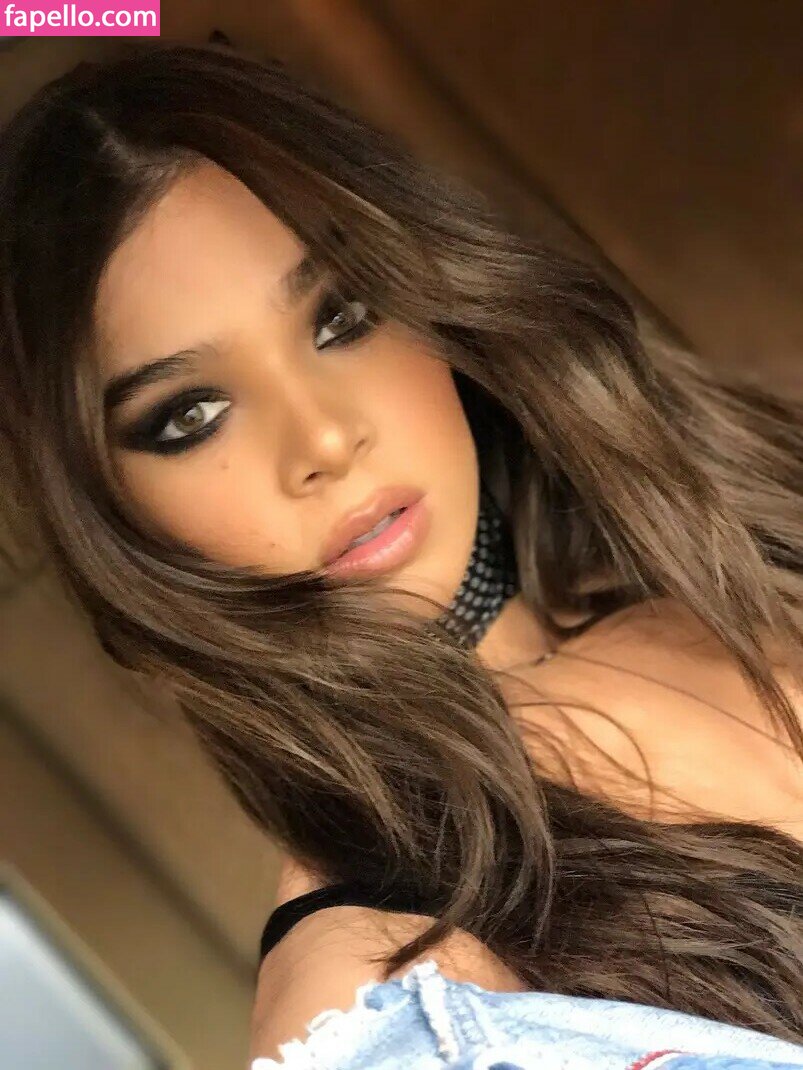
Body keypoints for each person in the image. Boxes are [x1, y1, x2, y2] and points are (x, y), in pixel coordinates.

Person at [0, 41, 801, 1068]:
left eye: (339, 315)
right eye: (190, 414)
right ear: (114, 519)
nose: (324, 439)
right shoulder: (380, 994)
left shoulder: (745, 542)